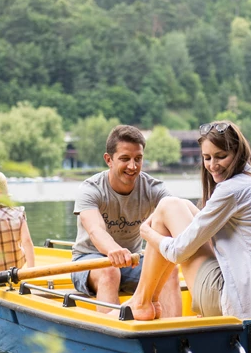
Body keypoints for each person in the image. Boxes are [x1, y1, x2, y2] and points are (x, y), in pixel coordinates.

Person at [126, 120, 251, 321]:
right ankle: (144, 301)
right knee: (183, 206)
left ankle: (143, 302)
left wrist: (147, 233)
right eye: (207, 158)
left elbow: (178, 252)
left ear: (238, 153)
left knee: (167, 206)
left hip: (239, 305)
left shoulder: (231, 189)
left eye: (221, 156)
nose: (212, 165)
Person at [70, 125, 179, 314]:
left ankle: (177, 334)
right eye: (125, 159)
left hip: (133, 261)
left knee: (170, 271)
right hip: (89, 261)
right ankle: (112, 336)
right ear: (108, 160)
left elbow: (176, 214)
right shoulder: (90, 189)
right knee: (110, 271)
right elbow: (96, 230)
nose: (132, 166)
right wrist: (114, 250)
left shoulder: (154, 188)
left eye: (138, 159)